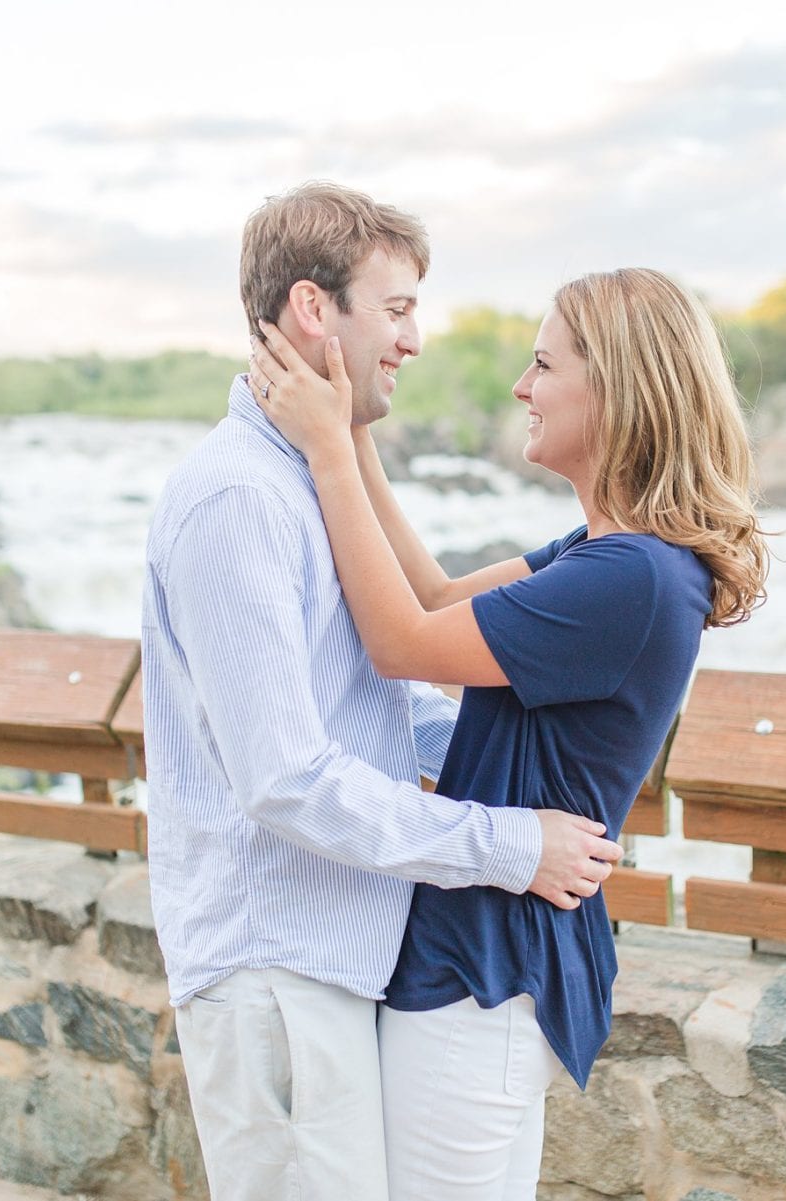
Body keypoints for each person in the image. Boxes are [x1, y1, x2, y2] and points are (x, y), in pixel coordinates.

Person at [140, 181, 624, 1201]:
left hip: (332, 958)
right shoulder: (239, 499)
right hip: (273, 967)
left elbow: (376, 697)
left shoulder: (307, 483)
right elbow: (285, 777)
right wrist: (506, 843)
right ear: (316, 311)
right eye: (397, 309)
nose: (414, 339)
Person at [250, 265, 770, 1199]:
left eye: (543, 365)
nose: (523, 388)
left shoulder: (630, 578)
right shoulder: (607, 555)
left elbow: (403, 642)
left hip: (485, 969)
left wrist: (327, 453)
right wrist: (356, 430)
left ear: (616, 389)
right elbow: (437, 598)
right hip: (490, 951)